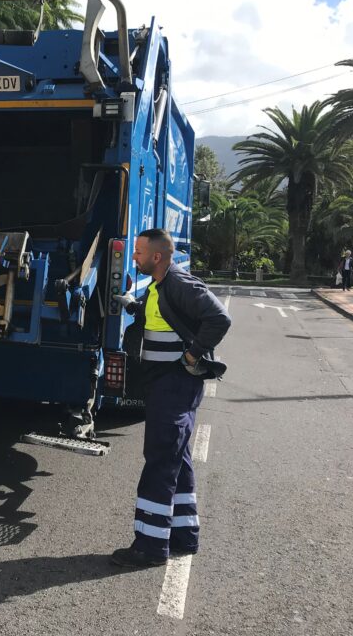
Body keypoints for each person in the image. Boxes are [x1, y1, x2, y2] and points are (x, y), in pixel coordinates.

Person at [110, 229, 231, 568]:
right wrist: (132, 306)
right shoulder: (159, 286)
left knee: (161, 458)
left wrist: (192, 357)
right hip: (165, 383)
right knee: (178, 457)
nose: (134, 257)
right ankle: (182, 535)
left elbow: (220, 319)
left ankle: (149, 546)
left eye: (138, 252)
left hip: (175, 383)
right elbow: (160, 317)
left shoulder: (180, 283)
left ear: (157, 257)